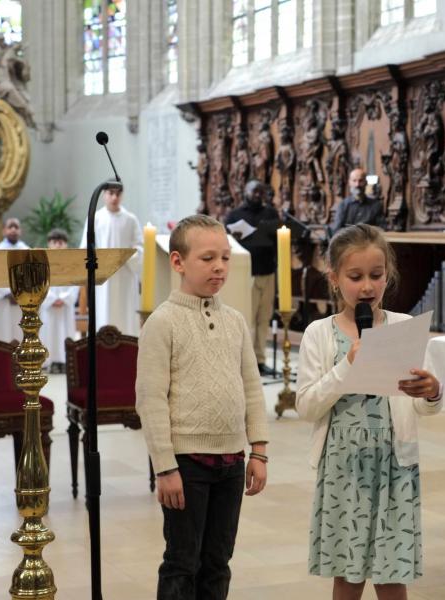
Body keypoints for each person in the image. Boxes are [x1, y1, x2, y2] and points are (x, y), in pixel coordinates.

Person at [296, 224, 443, 599]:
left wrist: (431, 393)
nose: (367, 287)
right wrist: (347, 363)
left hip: (394, 464)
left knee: (392, 573)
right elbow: (307, 405)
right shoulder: (319, 333)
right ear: (334, 278)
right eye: (355, 276)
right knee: (348, 573)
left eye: (376, 276)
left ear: (387, 276)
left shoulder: (403, 327)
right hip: (344, 465)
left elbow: (422, 406)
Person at [135, 215, 269, 600]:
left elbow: (252, 388)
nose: (219, 267)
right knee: (182, 562)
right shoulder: (162, 323)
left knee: (217, 562)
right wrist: (164, 466)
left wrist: (258, 450)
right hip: (186, 462)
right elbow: (151, 399)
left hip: (231, 461)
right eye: (208, 258)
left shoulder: (236, 322)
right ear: (178, 262)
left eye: (225, 258)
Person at [225, 180, 279, 375]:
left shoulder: (271, 213)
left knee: (264, 318)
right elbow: (227, 243)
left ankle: (260, 359)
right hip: (247, 274)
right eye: (254, 191)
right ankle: (246, 362)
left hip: (268, 271)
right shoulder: (235, 215)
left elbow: (278, 238)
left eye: (261, 191)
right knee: (248, 319)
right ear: (245, 192)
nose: (258, 194)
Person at [80, 187, 144, 336]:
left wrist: (128, 256)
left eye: (118, 194)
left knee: (126, 317)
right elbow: (85, 247)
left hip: (125, 278)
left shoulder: (130, 219)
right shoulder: (95, 218)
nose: (114, 197)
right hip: (103, 279)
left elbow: (140, 248)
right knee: (103, 315)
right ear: (104, 195)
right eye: (111, 193)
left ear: (122, 195)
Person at [39, 228, 79, 374]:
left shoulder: (72, 264)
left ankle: (64, 362)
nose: (58, 245)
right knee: (48, 332)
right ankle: (48, 362)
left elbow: (75, 284)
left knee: (65, 332)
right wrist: (51, 299)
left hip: (65, 308)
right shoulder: (42, 262)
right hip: (48, 307)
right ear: (49, 244)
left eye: (61, 242)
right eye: (55, 242)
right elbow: (40, 283)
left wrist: (63, 299)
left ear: (66, 244)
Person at [0, 217, 29, 343]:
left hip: (22, 300)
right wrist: (7, 293)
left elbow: (30, 276)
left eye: (16, 227)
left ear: (20, 231)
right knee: (2, 335)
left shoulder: (27, 251)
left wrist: (19, 294)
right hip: (3, 301)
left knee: (21, 333)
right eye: (10, 227)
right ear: (3, 231)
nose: (13, 230)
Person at [328, 169, 386, 237]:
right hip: (348, 244)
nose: (357, 184)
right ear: (349, 182)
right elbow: (336, 230)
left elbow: (382, 229)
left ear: (366, 182)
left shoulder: (376, 205)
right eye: (354, 180)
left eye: (360, 181)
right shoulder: (343, 205)